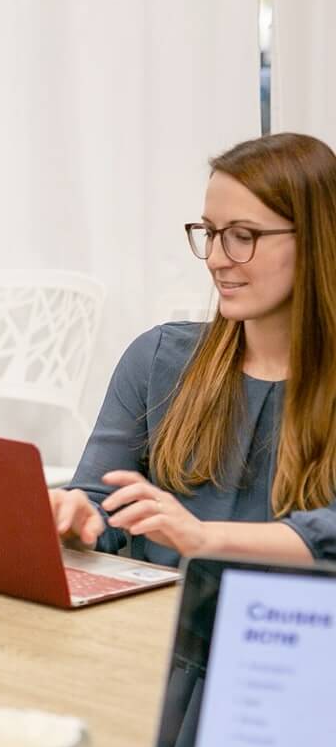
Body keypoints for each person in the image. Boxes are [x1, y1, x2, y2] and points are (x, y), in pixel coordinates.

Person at [52, 132, 336, 567]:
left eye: (243, 235)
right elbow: (100, 503)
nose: (217, 258)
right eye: (210, 232)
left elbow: (328, 533)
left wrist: (201, 538)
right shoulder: (157, 357)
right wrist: (76, 520)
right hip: (156, 626)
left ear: (316, 238)